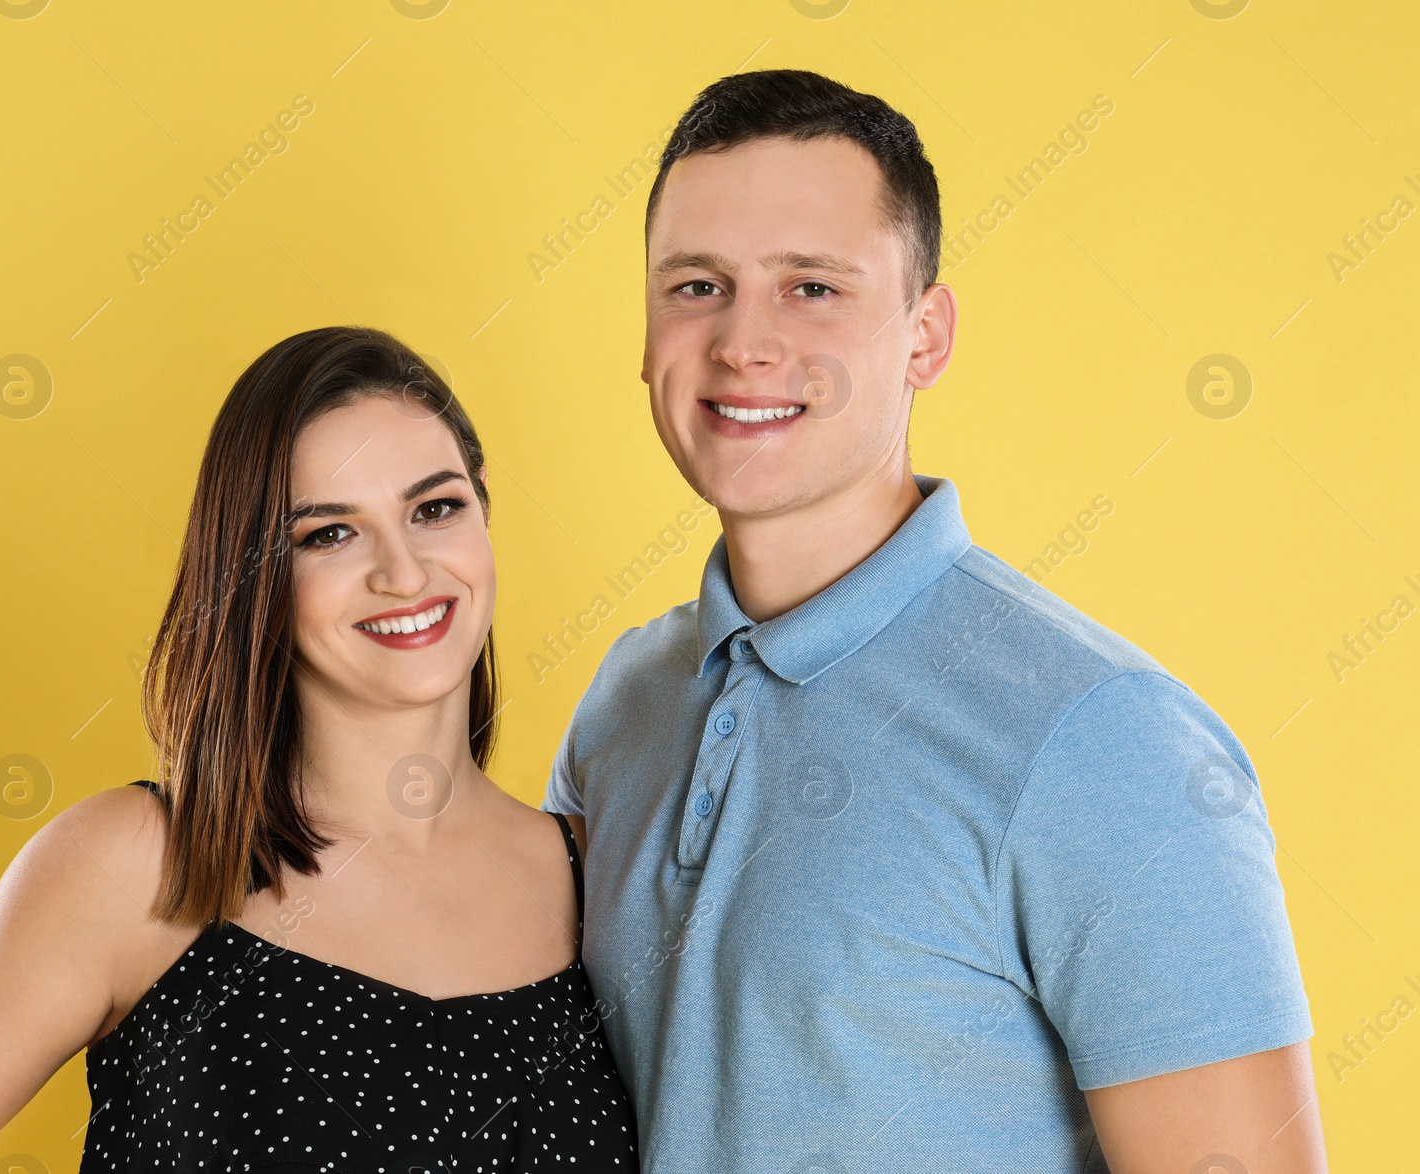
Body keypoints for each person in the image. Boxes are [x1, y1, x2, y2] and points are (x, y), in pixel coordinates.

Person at [542, 69, 1327, 1173]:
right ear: (644, 333)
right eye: (696, 285)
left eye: (811, 287)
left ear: (925, 335)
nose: (741, 343)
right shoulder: (625, 702)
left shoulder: (1106, 741)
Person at [0, 327, 638, 1173]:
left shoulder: (596, 876)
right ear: (253, 573)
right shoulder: (138, 866)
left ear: (483, 508)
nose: (404, 571)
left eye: (435, 508)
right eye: (328, 533)